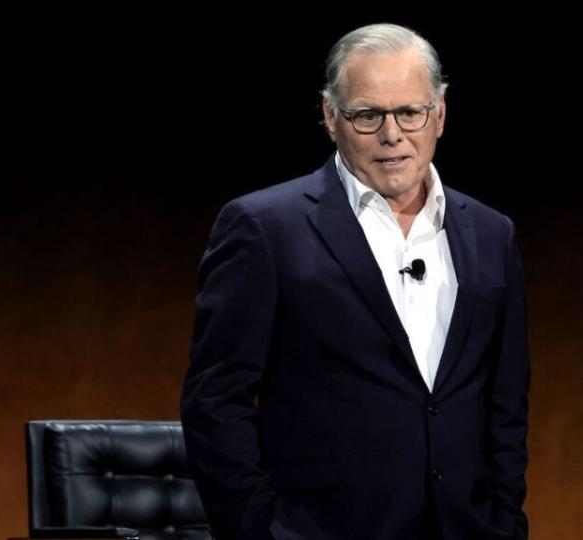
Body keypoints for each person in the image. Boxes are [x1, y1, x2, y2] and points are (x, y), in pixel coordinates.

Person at [181, 22, 530, 540]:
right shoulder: (264, 227)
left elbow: (506, 400)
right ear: (330, 117)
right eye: (367, 115)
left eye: (410, 112)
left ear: (440, 115)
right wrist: (258, 530)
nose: (393, 135)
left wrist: (503, 518)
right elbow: (215, 398)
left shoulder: (490, 232)